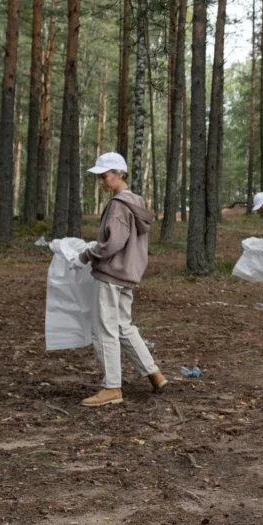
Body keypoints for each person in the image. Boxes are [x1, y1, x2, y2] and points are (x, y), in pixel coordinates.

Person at [78, 152, 166, 407]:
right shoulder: (136, 202)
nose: (101, 182)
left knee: (105, 329)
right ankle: (154, 373)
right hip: (128, 275)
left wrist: (87, 254)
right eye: (99, 177)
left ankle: (112, 387)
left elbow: (113, 243)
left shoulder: (118, 205)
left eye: (104, 176)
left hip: (111, 274)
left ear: (119, 174)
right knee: (123, 326)